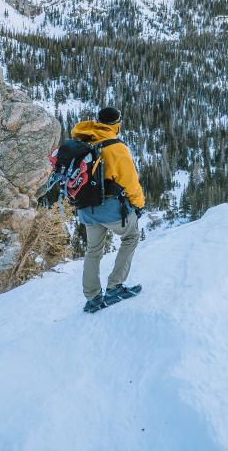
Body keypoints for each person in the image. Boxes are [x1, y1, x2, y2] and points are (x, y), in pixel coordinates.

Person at [68, 106, 146, 313]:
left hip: (85, 208)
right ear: (117, 124)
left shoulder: (84, 141)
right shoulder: (116, 147)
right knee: (131, 237)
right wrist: (138, 205)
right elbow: (130, 182)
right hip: (110, 208)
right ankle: (115, 287)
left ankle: (92, 297)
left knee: (93, 251)